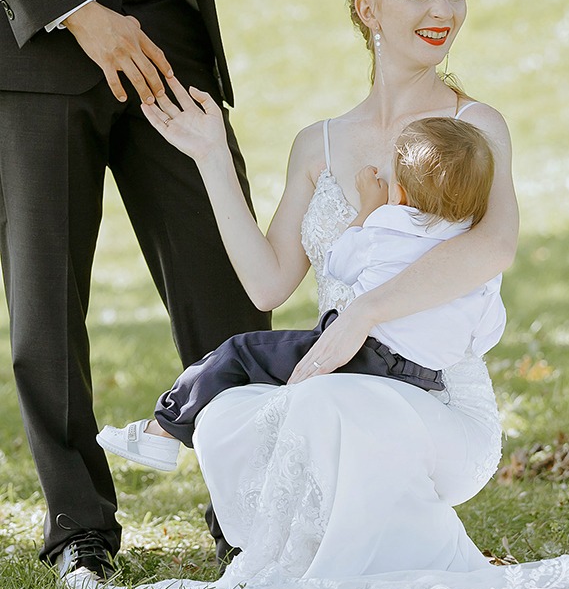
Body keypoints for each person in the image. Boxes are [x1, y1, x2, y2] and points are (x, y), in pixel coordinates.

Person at [67, 0, 569, 589]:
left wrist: (363, 313)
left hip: (437, 406)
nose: (442, 12)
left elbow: (492, 248)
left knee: (319, 405)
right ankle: (299, 565)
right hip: (334, 387)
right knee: (226, 412)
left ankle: (344, 584)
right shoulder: (316, 144)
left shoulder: (475, 128)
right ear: (367, 9)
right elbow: (266, 284)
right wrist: (210, 158)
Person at [0, 0, 269, 580]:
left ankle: (253, 510)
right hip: (44, 42)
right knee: (47, 308)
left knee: (228, 277)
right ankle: (81, 529)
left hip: (171, 29)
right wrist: (79, 12)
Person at [96, 115, 506, 469]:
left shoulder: (386, 228)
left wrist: (368, 208)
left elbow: (338, 264)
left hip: (361, 356)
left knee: (239, 352)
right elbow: (488, 331)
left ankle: (163, 429)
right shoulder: (472, 259)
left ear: (398, 193)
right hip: (425, 380)